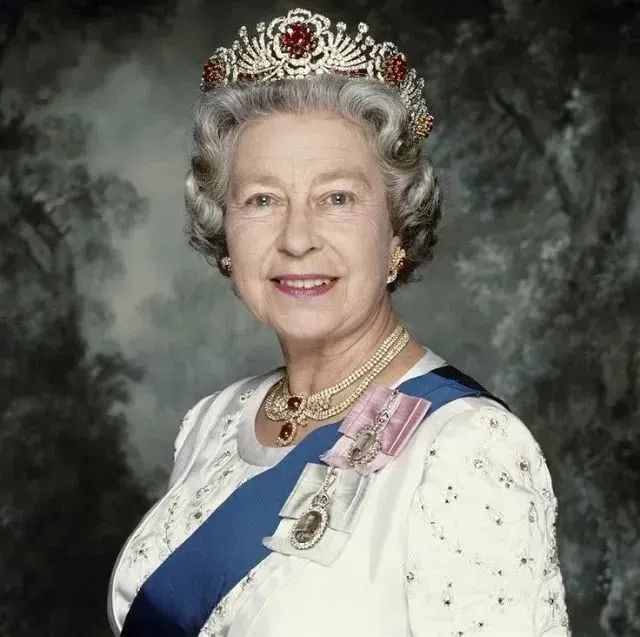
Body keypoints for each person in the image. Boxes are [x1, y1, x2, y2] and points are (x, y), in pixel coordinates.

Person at [107, 8, 571, 636]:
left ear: (397, 233)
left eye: (338, 199)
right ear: (225, 236)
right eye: (263, 199)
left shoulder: (467, 448)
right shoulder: (212, 422)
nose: (298, 238)